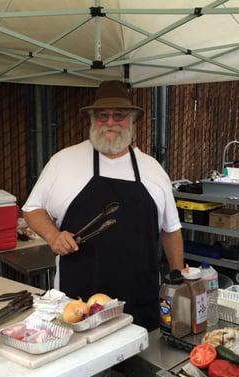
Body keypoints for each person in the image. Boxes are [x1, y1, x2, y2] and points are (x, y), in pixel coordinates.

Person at [23, 80, 183, 331]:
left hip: (140, 299)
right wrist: (53, 236)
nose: (110, 122)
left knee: (139, 367)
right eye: (102, 116)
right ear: (91, 120)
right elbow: (32, 209)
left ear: (132, 121)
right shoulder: (63, 161)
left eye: (119, 115)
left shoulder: (152, 168)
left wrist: (178, 280)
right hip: (79, 304)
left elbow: (171, 230)